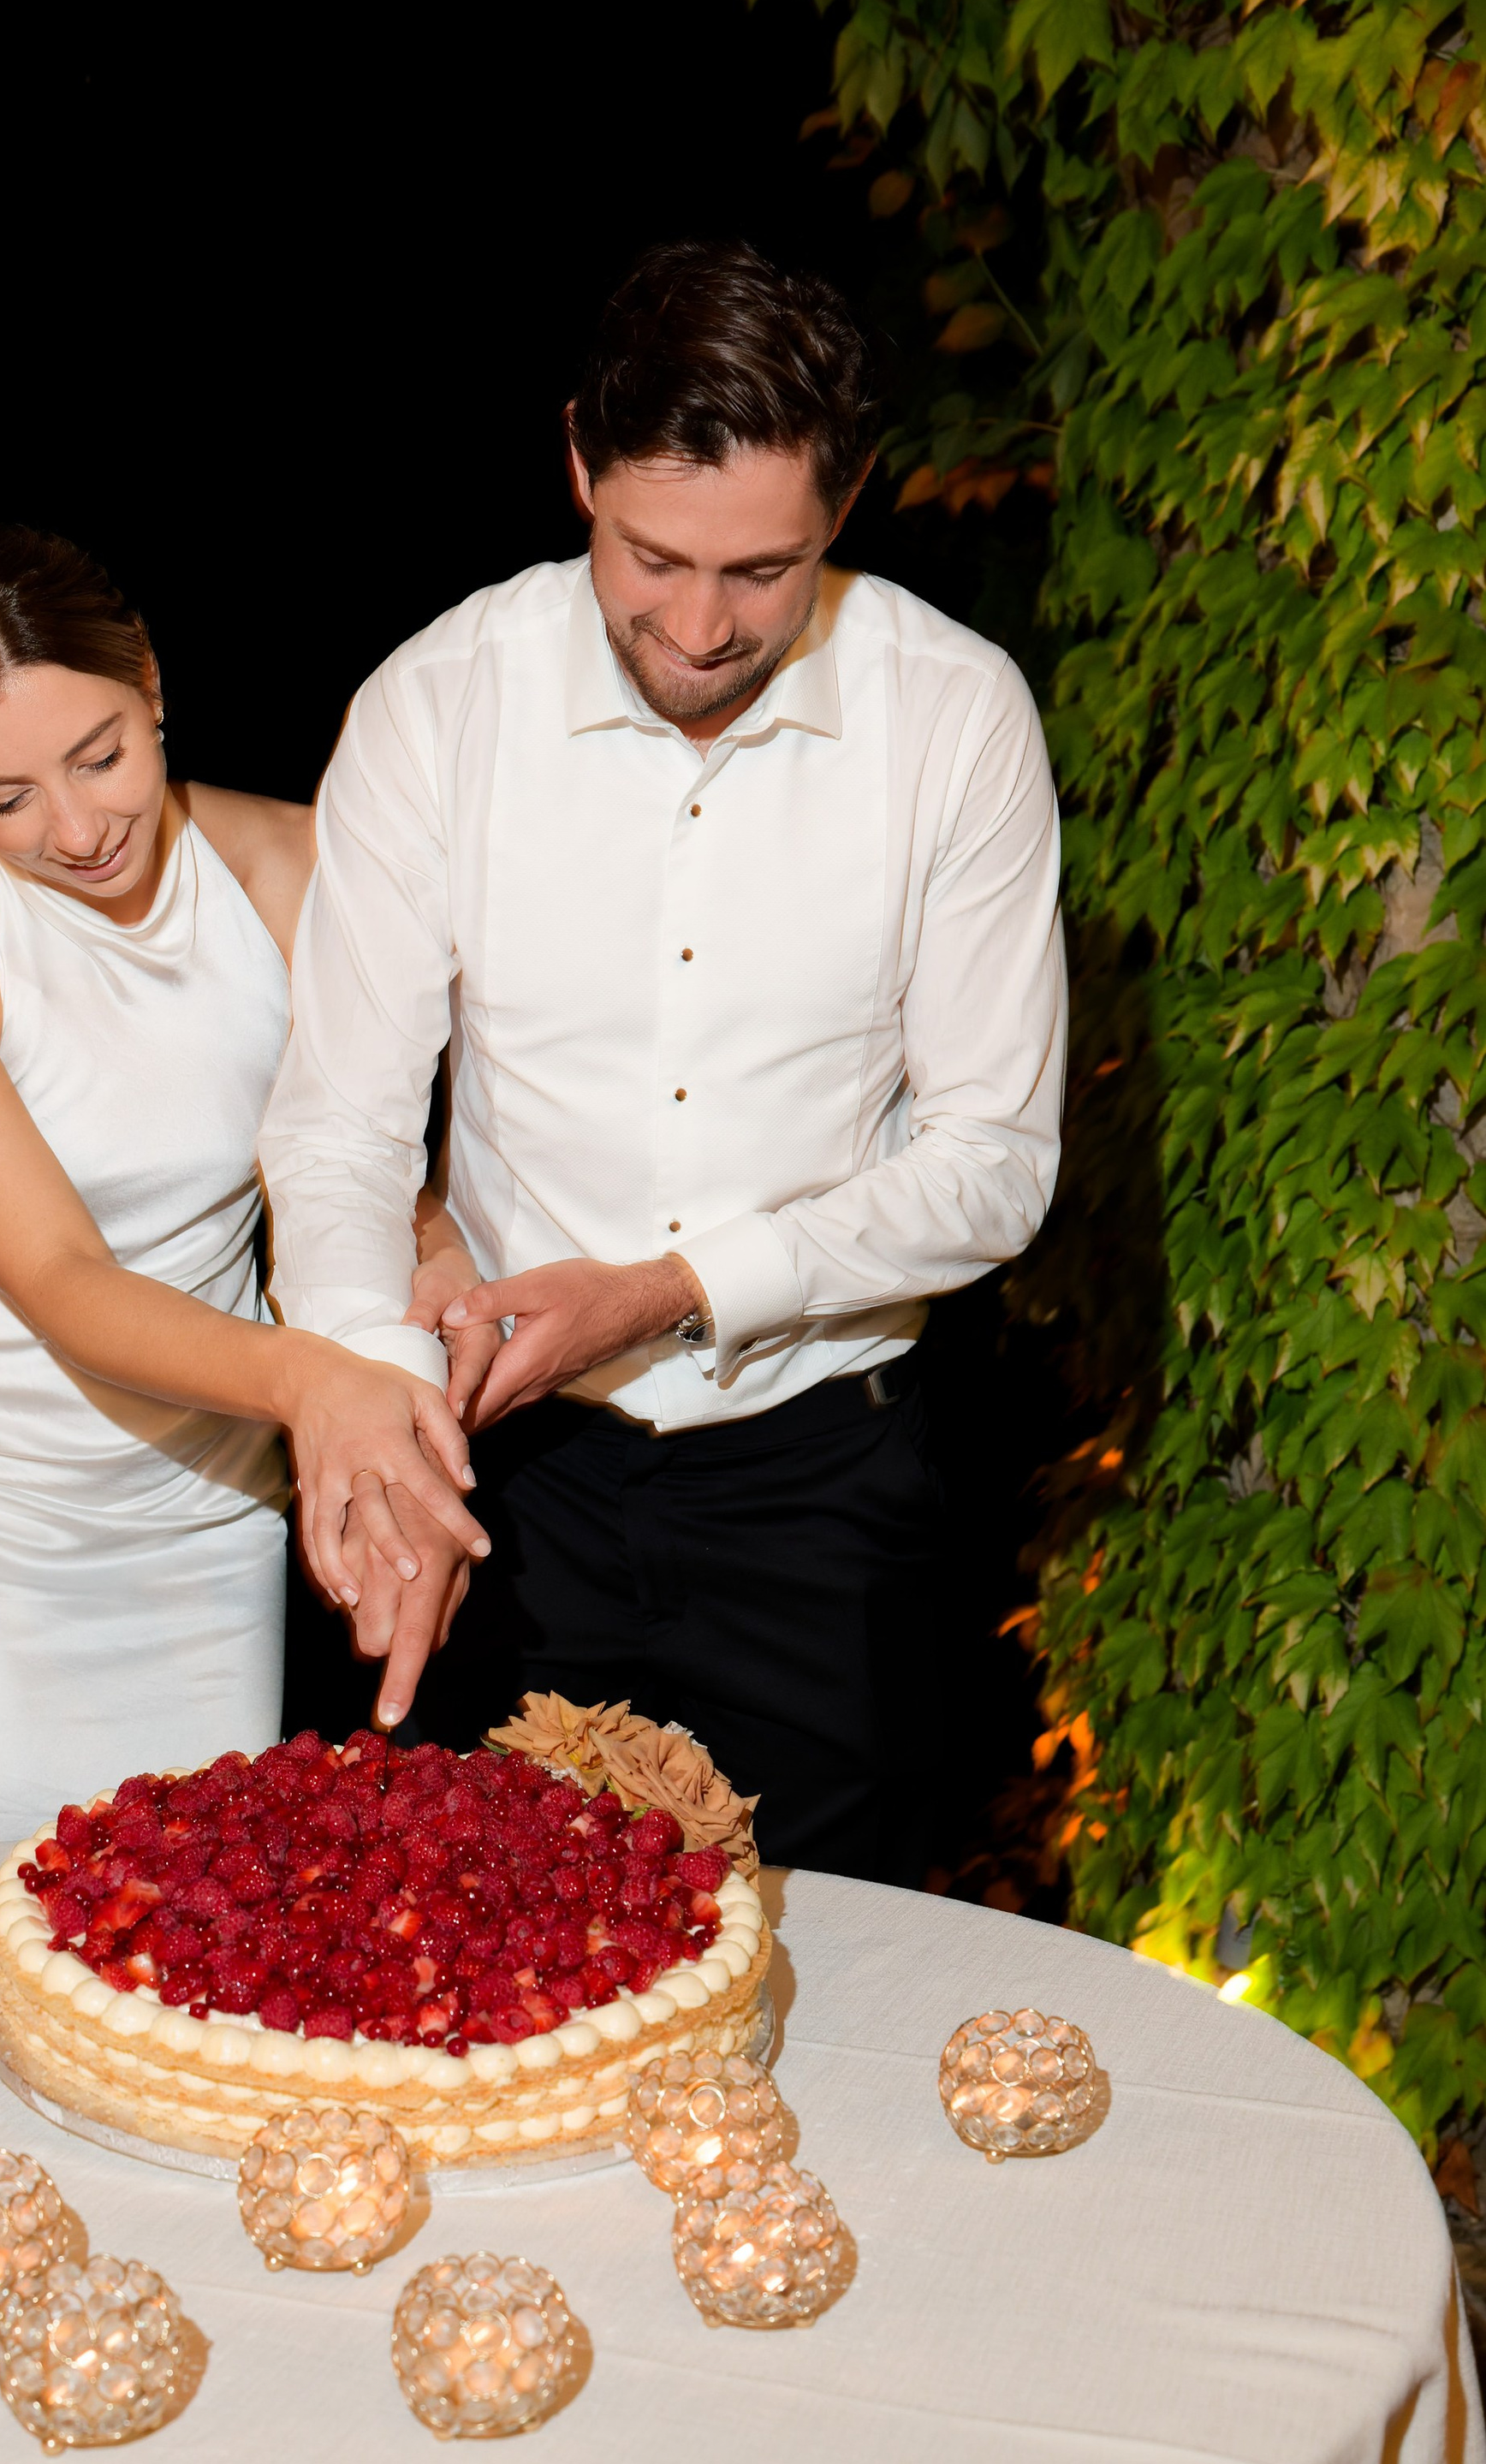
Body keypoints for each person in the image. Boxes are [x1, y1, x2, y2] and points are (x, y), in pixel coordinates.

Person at [257, 240, 1066, 1884]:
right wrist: (375, 1412)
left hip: (823, 1482)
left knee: (832, 1989)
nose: (699, 627)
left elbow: (997, 1163)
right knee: (485, 1980)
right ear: (578, 461)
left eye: (762, 572)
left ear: (845, 507)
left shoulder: (958, 716)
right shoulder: (436, 705)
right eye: (652, 556)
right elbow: (341, 1125)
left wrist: (667, 1287)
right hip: (510, 1473)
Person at [0, 525, 485, 1850]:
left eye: (100, 755)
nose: (74, 830)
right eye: (1, 799)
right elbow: (65, 1283)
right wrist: (317, 1389)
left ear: (155, 685)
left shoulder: (297, 875)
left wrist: (411, 1425)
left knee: (190, 1947)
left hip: (202, 1520)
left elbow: (386, 1195)